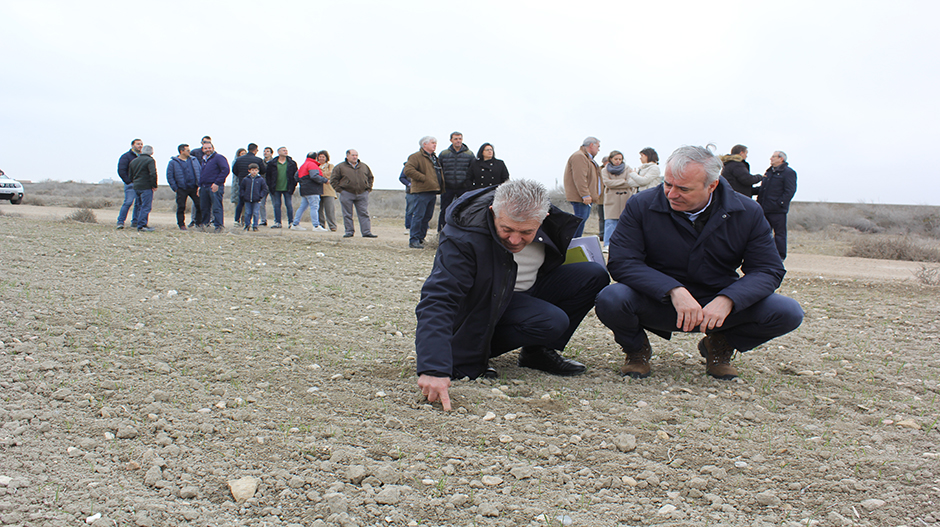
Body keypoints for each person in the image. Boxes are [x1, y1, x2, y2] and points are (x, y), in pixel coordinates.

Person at [594, 145, 803, 381]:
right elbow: (623, 261)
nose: (671, 194)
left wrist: (729, 299)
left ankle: (720, 345)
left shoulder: (748, 212)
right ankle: (636, 350)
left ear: (711, 185)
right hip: (659, 300)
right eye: (668, 184)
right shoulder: (641, 205)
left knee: (787, 311)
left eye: (683, 189)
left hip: (717, 306)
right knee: (611, 298)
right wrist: (672, 290)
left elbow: (768, 269)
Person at [415, 179, 610, 410]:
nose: (515, 240)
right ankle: (473, 350)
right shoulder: (465, 234)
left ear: (543, 219)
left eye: (526, 232)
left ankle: (538, 353)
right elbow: (439, 297)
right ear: (493, 212)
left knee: (593, 274)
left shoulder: (547, 219)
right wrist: (434, 367)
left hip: (521, 292)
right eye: (506, 229)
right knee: (551, 320)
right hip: (483, 305)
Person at [404, 136, 444, 249]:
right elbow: (408, 170)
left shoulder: (434, 158)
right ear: (424, 144)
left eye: (435, 143)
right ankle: (414, 239)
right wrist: (424, 178)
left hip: (432, 190)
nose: (434, 145)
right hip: (421, 191)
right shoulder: (416, 157)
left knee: (427, 216)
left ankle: (421, 238)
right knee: (418, 215)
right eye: (432, 143)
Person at [758, 151, 798, 260]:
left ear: (781, 159)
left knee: (779, 234)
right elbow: (763, 189)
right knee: (763, 234)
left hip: (778, 210)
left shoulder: (788, 172)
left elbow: (790, 191)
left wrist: (780, 203)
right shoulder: (769, 172)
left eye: (773, 157)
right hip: (764, 208)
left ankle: (780, 256)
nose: (771, 159)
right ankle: (764, 255)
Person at [330, 149, 376, 238]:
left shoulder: (364, 166)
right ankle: (349, 231)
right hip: (347, 193)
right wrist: (340, 190)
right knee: (347, 213)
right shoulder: (340, 167)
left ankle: (366, 232)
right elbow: (333, 180)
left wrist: (368, 189)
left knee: (364, 213)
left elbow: (370, 177)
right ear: (347, 156)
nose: (355, 157)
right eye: (353, 155)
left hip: (362, 193)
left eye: (356, 155)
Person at [563, 137, 601, 237]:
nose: (599, 149)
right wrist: (585, 195)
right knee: (578, 222)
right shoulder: (579, 157)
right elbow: (580, 177)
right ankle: (572, 244)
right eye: (598, 146)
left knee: (580, 221)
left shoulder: (587, 158)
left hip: (585, 198)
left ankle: (574, 243)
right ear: (591, 145)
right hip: (581, 198)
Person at [437, 132, 475, 232]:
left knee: (464, 210)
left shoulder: (469, 154)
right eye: (455, 139)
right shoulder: (444, 154)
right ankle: (441, 231)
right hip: (447, 187)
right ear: (451, 140)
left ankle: (462, 231)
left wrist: (468, 184)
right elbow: (439, 170)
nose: (458, 141)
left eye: (460, 138)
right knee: (445, 210)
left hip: (463, 187)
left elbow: (472, 170)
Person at [600, 150, 633, 251]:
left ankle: (624, 244)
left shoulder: (628, 169)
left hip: (625, 198)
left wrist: (615, 182)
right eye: (616, 159)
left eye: (620, 159)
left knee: (625, 222)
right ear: (611, 159)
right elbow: (607, 183)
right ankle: (607, 244)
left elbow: (630, 182)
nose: (618, 161)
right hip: (611, 199)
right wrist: (622, 181)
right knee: (610, 222)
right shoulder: (605, 170)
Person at [166, 144, 203, 230]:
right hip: (181, 188)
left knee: (199, 204)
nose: (189, 152)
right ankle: (181, 224)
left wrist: (199, 184)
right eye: (187, 150)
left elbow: (199, 171)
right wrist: (175, 188)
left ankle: (198, 222)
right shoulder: (173, 162)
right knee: (181, 206)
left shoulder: (194, 160)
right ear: (181, 151)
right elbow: (170, 176)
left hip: (194, 187)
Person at [291, 152, 329, 231]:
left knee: (302, 207)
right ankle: (316, 226)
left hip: (304, 189)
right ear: (316, 158)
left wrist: (303, 182)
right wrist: (325, 180)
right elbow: (314, 176)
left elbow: (296, 176)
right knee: (314, 207)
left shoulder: (303, 165)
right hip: (313, 189)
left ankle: (295, 224)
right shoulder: (312, 165)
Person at [197, 142, 230, 232]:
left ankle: (219, 226)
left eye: (209, 148)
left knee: (216, 207)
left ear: (213, 148)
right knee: (204, 207)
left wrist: (217, 183)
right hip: (204, 186)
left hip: (214, 186)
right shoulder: (203, 160)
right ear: (203, 149)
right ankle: (205, 225)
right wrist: (199, 186)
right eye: (205, 148)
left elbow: (225, 170)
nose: (208, 150)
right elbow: (202, 174)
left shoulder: (219, 158)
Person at [231, 144, 265, 225]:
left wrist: (241, 176)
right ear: (255, 150)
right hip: (255, 184)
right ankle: (251, 222)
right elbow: (263, 170)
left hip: (242, 183)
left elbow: (234, 170)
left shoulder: (239, 159)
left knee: (241, 202)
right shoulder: (258, 160)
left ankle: (237, 220)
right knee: (253, 205)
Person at [265, 147, 298, 229]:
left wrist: (293, 185)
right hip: (275, 188)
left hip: (288, 188)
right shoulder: (272, 163)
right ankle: (278, 222)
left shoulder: (292, 163)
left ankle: (291, 222)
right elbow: (268, 176)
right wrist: (270, 186)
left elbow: (295, 175)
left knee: (289, 205)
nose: (285, 151)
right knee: (277, 205)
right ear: (278, 152)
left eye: (286, 150)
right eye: (283, 150)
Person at [128, 145, 158, 232]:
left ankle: (135, 221)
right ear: (151, 152)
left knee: (138, 205)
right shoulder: (150, 160)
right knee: (146, 206)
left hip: (136, 186)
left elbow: (130, 175)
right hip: (146, 186)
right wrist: (154, 185)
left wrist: (135, 182)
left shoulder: (134, 161)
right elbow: (153, 173)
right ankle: (142, 225)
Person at [116, 138, 142, 229]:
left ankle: (135, 222)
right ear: (132, 145)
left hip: (141, 184)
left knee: (139, 204)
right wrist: (128, 181)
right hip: (131, 184)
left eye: (141, 144)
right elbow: (121, 170)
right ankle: (120, 222)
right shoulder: (126, 156)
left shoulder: (143, 157)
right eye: (138, 144)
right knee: (128, 202)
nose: (140, 146)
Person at [240, 163, 269, 232]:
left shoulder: (261, 180)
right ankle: (247, 225)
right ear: (249, 171)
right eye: (252, 170)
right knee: (248, 212)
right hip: (247, 199)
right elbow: (242, 188)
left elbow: (264, 189)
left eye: (256, 170)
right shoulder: (246, 179)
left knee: (256, 212)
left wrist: (260, 196)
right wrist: (243, 196)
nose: (254, 172)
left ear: (258, 171)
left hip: (257, 199)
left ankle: (255, 225)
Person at [316, 151, 337, 231]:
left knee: (330, 210)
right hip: (318, 190)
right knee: (319, 210)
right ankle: (321, 225)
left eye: (323, 157)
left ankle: (332, 225)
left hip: (329, 191)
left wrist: (320, 176)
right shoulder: (316, 165)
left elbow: (331, 174)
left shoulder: (330, 166)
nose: (321, 158)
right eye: (320, 157)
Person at [259, 147, 274, 226]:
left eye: (267, 151)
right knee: (261, 203)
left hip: (272, 185)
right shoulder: (261, 162)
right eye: (264, 151)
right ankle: (263, 220)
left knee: (275, 203)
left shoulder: (275, 162)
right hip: (263, 185)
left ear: (271, 153)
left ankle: (277, 221)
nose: (265, 153)